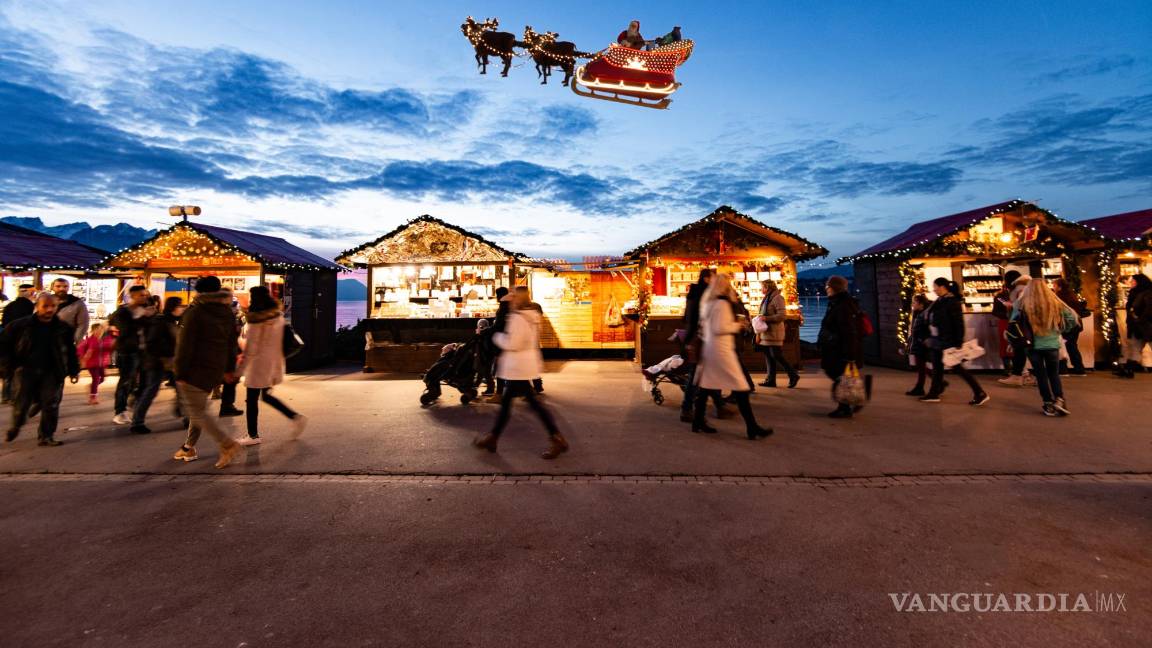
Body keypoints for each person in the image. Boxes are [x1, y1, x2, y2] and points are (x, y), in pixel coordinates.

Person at [473, 288, 569, 459]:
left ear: (517, 300)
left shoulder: (518, 318)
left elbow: (514, 343)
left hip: (517, 367)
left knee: (531, 406)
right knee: (512, 404)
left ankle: (556, 438)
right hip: (524, 366)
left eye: (513, 298)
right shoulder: (532, 315)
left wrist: (497, 337)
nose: (510, 301)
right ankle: (493, 437)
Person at [170, 276, 243, 468]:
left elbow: (184, 346)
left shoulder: (195, 312)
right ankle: (189, 446)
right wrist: (228, 369)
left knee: (196, 411)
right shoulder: (226, 312)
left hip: (195, 368)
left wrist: (180, 372)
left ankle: (227, 444)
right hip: (215, 367)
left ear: (199, 292)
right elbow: (231, 343)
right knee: (198, 408)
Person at [691, 273, 773, 438]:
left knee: (707, 386)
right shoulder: (721, 304)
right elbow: (720, 328)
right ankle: (752, 427)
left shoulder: (708, 303)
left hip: (710, 350)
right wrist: (738, 325)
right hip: (721, 351)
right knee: (741, 387)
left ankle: (697, 421)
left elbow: (706, 327)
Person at [1, 293, 80, 445]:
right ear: (37, 307)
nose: (50, 309)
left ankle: (46, 436)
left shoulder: (63, 328)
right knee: (21, 404)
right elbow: (4, 345)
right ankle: (16, 425)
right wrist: (6, 366)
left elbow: (70, 350)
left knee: (51, 403)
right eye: (46, 306)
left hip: (52, 371)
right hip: (25, 370)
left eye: (53, 306)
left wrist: (73, 369)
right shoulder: (20, 325)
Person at [236, 286, 308, 444]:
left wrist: (238, 371)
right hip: (274, 363)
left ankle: (253, 435)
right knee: (266, 395)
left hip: (257, 365)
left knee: (252, 399)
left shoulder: (255, 321)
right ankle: (295, 417)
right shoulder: (278, 316)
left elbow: (251, 348)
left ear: (254, 299)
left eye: (250, 297)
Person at [919, 278, 990, 406]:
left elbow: (958, 323)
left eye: (935, 286)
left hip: (947, 339)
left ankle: (979, 392)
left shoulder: (951, 302)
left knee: (956, 367)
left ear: (942, 287)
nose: (933, 289)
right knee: (937, 366)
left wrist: (958, 341)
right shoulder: (940, 301)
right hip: (938, 339)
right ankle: (934, 393)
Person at [1012, 280, 1078, 416]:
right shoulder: (1055, 302)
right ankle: (1060, 399)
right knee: (1054, 374)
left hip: (1032, 345)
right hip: (1051, 344)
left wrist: (1012, 341)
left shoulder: (1021, 303)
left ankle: (1048, 403)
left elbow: (1013, 323)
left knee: (1041, 375)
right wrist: (1060, 329)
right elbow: (1072, 318)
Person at [679, 269, 725, 423]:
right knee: (698, 375)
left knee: (703, 374)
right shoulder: (706, 295)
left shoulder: (693, 293)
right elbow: (698, 319)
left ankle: (717, 407)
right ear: (706, 278)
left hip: (696, 338)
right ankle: (688, 409)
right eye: (713, 277)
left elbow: (687, 317)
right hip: (703, 339)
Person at [817, 276, 865, 418]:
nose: (826, 289)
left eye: (827, 286)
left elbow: (849, 331)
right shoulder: (839, 303)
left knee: (837, 374)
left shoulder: (843, 305)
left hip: (840, 349)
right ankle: (846, 405)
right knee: (839, 375)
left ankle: (848, 404)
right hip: (836, 347)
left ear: (833, 288)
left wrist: (849, 355)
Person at [109, 285, 153, 425]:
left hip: (145, 351)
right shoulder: (122, 312)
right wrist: (142, 317)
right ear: (132, 296)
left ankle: (134, 401)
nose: (145, 297)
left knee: (146, 381)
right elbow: (125, 329)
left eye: (146, 295)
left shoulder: (146, 311)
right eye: (142, 295)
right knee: (126, 381)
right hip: (127, 351)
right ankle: (119, 411)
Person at [756, 279, 799, 388]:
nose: (761, 289)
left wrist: (766, 318)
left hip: (774, 332)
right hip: (766, 332)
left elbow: (782, 316)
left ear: (767, 287)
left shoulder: (777, 298)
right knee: (768, 356)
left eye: (762, 287)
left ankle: (793, 374)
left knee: (776, 355)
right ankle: (771, 380)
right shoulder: (767, 298)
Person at [998, 275, 1035, 387]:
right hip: (1029, 327)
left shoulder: (1020, 290)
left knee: (1022, 350)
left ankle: (1019, 376)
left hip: (1022, 326)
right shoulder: (1032, 292)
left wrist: (1010, 307)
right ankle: (1022, 375)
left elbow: (1019, 308)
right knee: (1024, 351)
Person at [1, 284, 35, 404]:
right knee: (19, 369)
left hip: (8, 342)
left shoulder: (10, 306)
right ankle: (16, 396)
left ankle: (6, 395)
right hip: (22, 342)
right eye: (32, 292)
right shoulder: (30, 306)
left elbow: (4, 324)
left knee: (8, 369)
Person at [1116, 273, 1152, 378]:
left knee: (1136, 347)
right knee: (1135, 347)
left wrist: (1140, 319)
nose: (1131, 283)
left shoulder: (1147, 293)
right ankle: (1128, 369)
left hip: (1146, 326)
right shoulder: (1135, 293)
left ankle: (1128, 369)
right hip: (1137, 326)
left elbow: (1149, 310)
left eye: (1133, 281)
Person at [1052, 278, 1088, 376]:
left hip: (1067, 326)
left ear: (1059, 287)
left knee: (1063, 346)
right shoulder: (1071, 295)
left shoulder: (1060, 297)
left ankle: (1065, 369)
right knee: (1072, 346)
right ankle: (1079, 369)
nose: (1053, 288)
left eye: (1054, 286)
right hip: (1075, 325)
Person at [76, 322, 114, 405]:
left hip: (102, 364)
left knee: (103, 379)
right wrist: (83, 357)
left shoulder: (106, 339)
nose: (99, 331)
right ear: (93, 331)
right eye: (96, 329)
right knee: (96, 379)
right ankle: (93, 397)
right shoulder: (89, 340)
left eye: (101, 329)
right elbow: (79, 348)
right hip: (92, 364)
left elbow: (111, 347)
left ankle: (92, 386)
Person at [991, 270, 1020, 374]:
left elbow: (995, 312)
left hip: (1007, 322)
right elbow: (996, 311)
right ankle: (1012, 369)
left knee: (1009, 345)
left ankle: (1011, 369)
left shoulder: (1000, 296)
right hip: (1010, 322)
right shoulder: (1001, 296)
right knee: (1011, 344)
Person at [904, 294, 933, 396]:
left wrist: (923, 339)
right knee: (921, 365)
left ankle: (920, 388)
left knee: (920, 365)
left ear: (921, 304)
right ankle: (938, 382)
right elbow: (914, 329)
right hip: (918, 341)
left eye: (914, 302)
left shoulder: (927, 313)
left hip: (923, 343)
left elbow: (927, 329)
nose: (912, 304)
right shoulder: (917, 312)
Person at [50, 278, 89, 345]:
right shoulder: (47, 301)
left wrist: (76, 340)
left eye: (65, 286)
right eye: (58, 286)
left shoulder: (77, 303)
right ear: (52, 287)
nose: (61, 289)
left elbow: (83, 324)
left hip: (67, 340)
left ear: (68, 288)